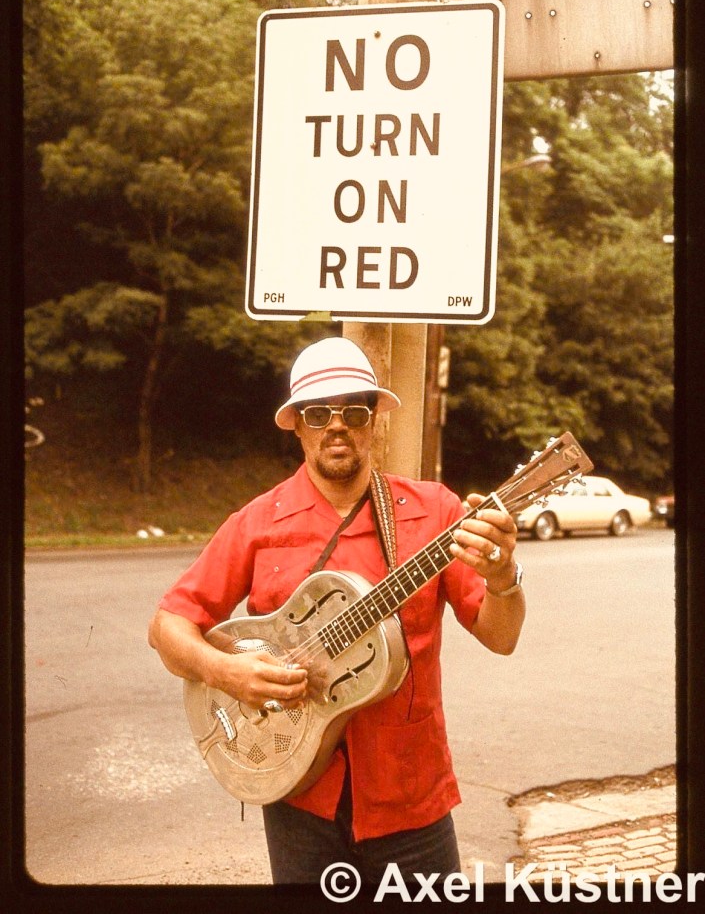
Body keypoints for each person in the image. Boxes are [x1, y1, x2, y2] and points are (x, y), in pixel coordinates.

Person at [148, 336, 525, 885]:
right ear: (298, 426)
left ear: (375, 421)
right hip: (299, 796)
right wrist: (226, 671)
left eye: (353, 410)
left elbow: (501, 636)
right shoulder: (258, 523)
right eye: (318, 413)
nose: (337, 425)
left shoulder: (436, 513)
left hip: (410, 797)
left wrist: (502, 575)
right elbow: (168, 626)